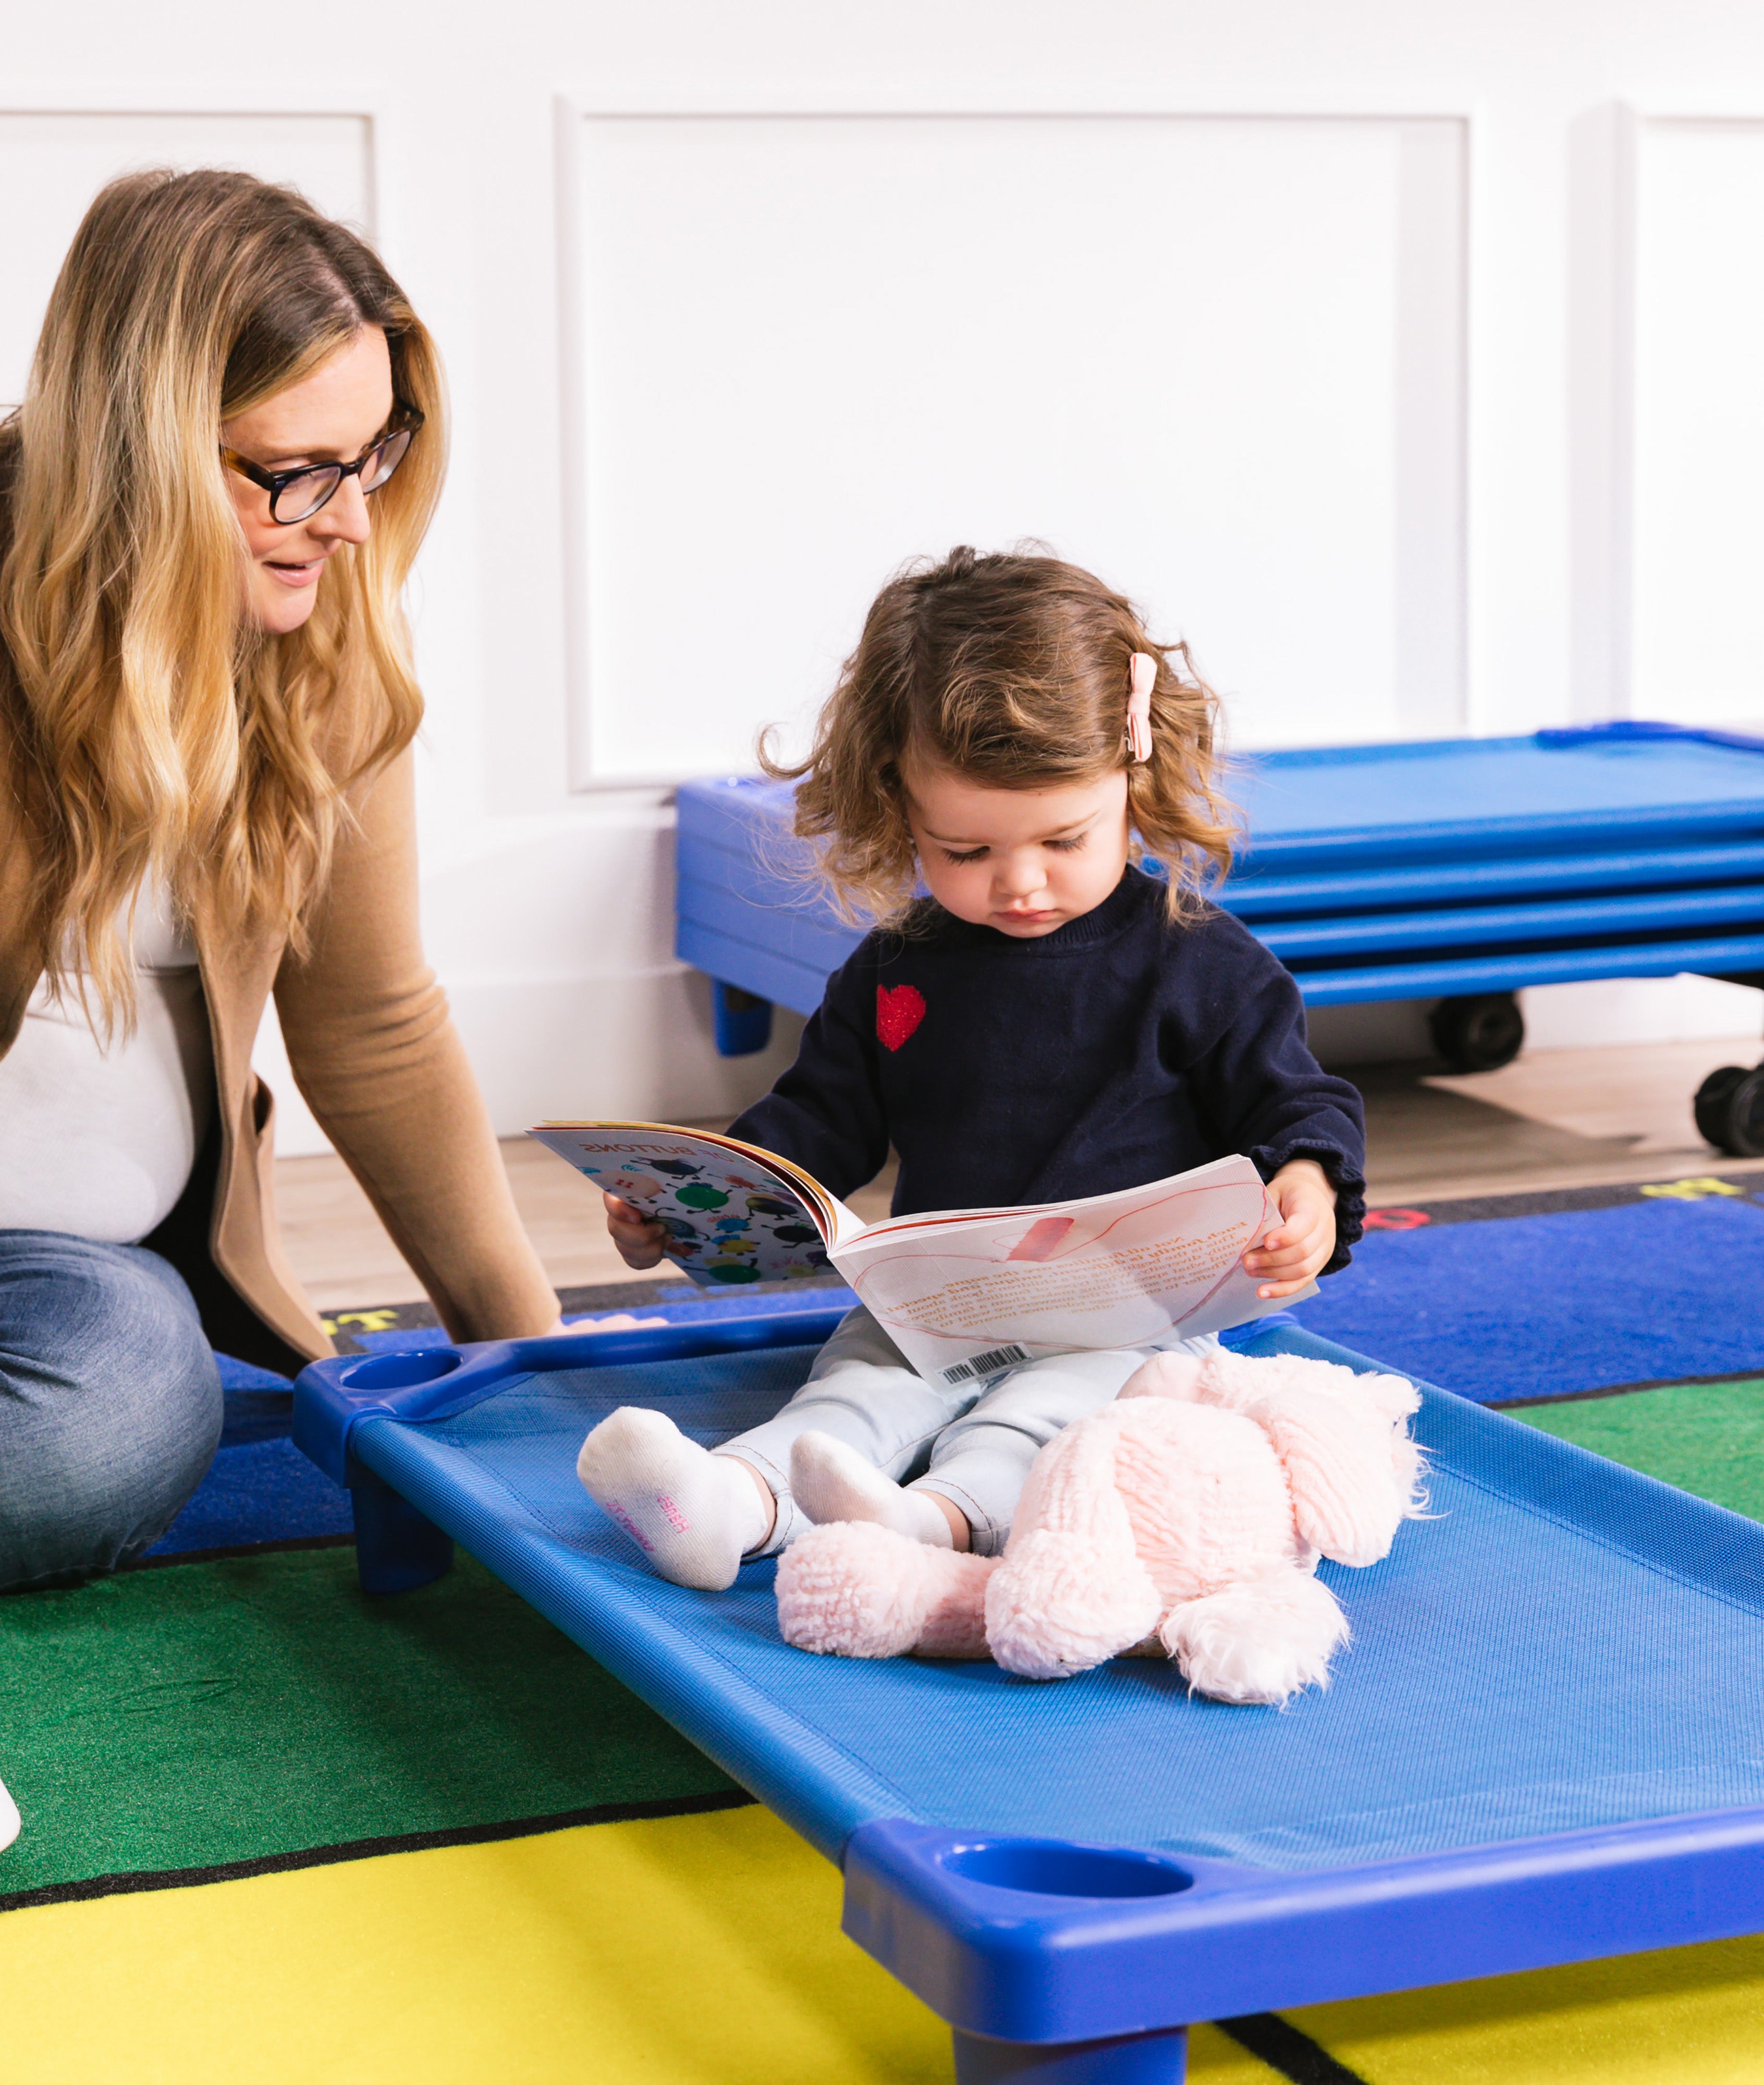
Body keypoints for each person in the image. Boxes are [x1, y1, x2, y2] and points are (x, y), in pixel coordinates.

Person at [577, 546, 1367, 1590]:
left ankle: (934, 1527)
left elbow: (1298, 1104)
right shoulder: (898, 969)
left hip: (1127, 1317)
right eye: (963, 851)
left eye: (1062, 838)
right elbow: (817, 1124)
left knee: (1039, 1423)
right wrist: (686, 1200)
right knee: (848, 1390)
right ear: (897, 804)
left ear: (1132, 774)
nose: (1019, 883)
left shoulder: (1199, 964)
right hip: (941, 1306)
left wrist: (1305, 1192)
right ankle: (732, 1504)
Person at [0, 170, 561, 1593]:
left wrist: (534, 1368)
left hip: (74, 1290)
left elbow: (373, 1026)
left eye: (370, 458)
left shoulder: (318, 649)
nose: (352, 521)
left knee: (129, 1409)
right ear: (141, 447)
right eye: (296, 471)